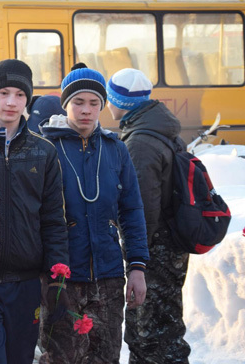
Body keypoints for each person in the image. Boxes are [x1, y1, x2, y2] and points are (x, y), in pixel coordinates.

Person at [39, 63, 149, 364]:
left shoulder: (116, 149)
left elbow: (132, 210)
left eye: (94, 103)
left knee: (105, 357)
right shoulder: (45, 147)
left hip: (108, 276)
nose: (86, 110)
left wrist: (137, 266)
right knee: (60, 357)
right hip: (61, 277)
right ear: (65, 103)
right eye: (78, 102)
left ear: (102, 105)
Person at [0, 59, 70, 364]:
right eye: (4, 93)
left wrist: (56, 276)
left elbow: (53, 218)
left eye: (20, 95)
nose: (11, 102)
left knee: (20, 359)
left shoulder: (43, 151)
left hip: (26, 284)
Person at [106, 68, 190, 364]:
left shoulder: (140, 143)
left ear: (120, 102)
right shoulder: (159, 128)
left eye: (109, 98)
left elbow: (142, 208)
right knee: (165, 328)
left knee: (149, 335)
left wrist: (135, 257)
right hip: (169, 244)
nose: (107, 104)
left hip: (154, 250)